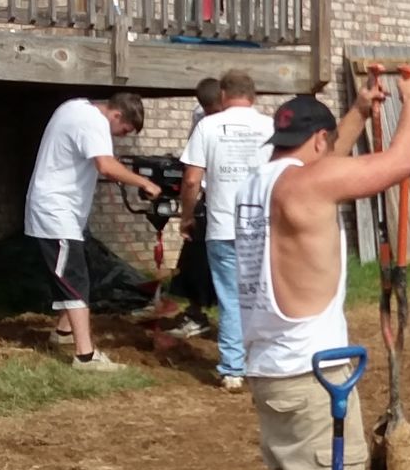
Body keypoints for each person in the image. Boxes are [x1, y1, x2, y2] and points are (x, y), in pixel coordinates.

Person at [231, 69, 410, 470]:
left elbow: (325, 162)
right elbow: (399, 163)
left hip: (269, 366)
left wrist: (359, 114)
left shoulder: (260, 183)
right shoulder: (309, 186)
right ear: (316, 147)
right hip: (313, 374)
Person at [23, 91, 160, 370]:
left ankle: (62, 333)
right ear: (116, 114)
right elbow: (106, 166)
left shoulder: (74, 106)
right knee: (75, 279)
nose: (120, 136)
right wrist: (144, 184)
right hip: (56, 212)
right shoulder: (92, 121)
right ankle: (85, 356)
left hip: (63, 212)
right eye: (123, 130)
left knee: (79, 272)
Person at [175, 66, 275, 388]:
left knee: (231, 298)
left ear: (222, 95)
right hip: (262, 225)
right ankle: (266, 361)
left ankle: (233, 369)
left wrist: (186, 216)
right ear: (253, 95)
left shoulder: (208, 126)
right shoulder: (270, 127)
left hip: (222, 226)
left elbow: (191, 180)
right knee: (262, 295)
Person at [165, 76, 224, 339]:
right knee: (195, 257)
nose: (212, 116)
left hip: (233, 199)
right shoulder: (200, 117)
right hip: (209, 195)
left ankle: (239, 325)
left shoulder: (242, 118)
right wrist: (188, 212)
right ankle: (196, 313)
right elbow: (193, 169)